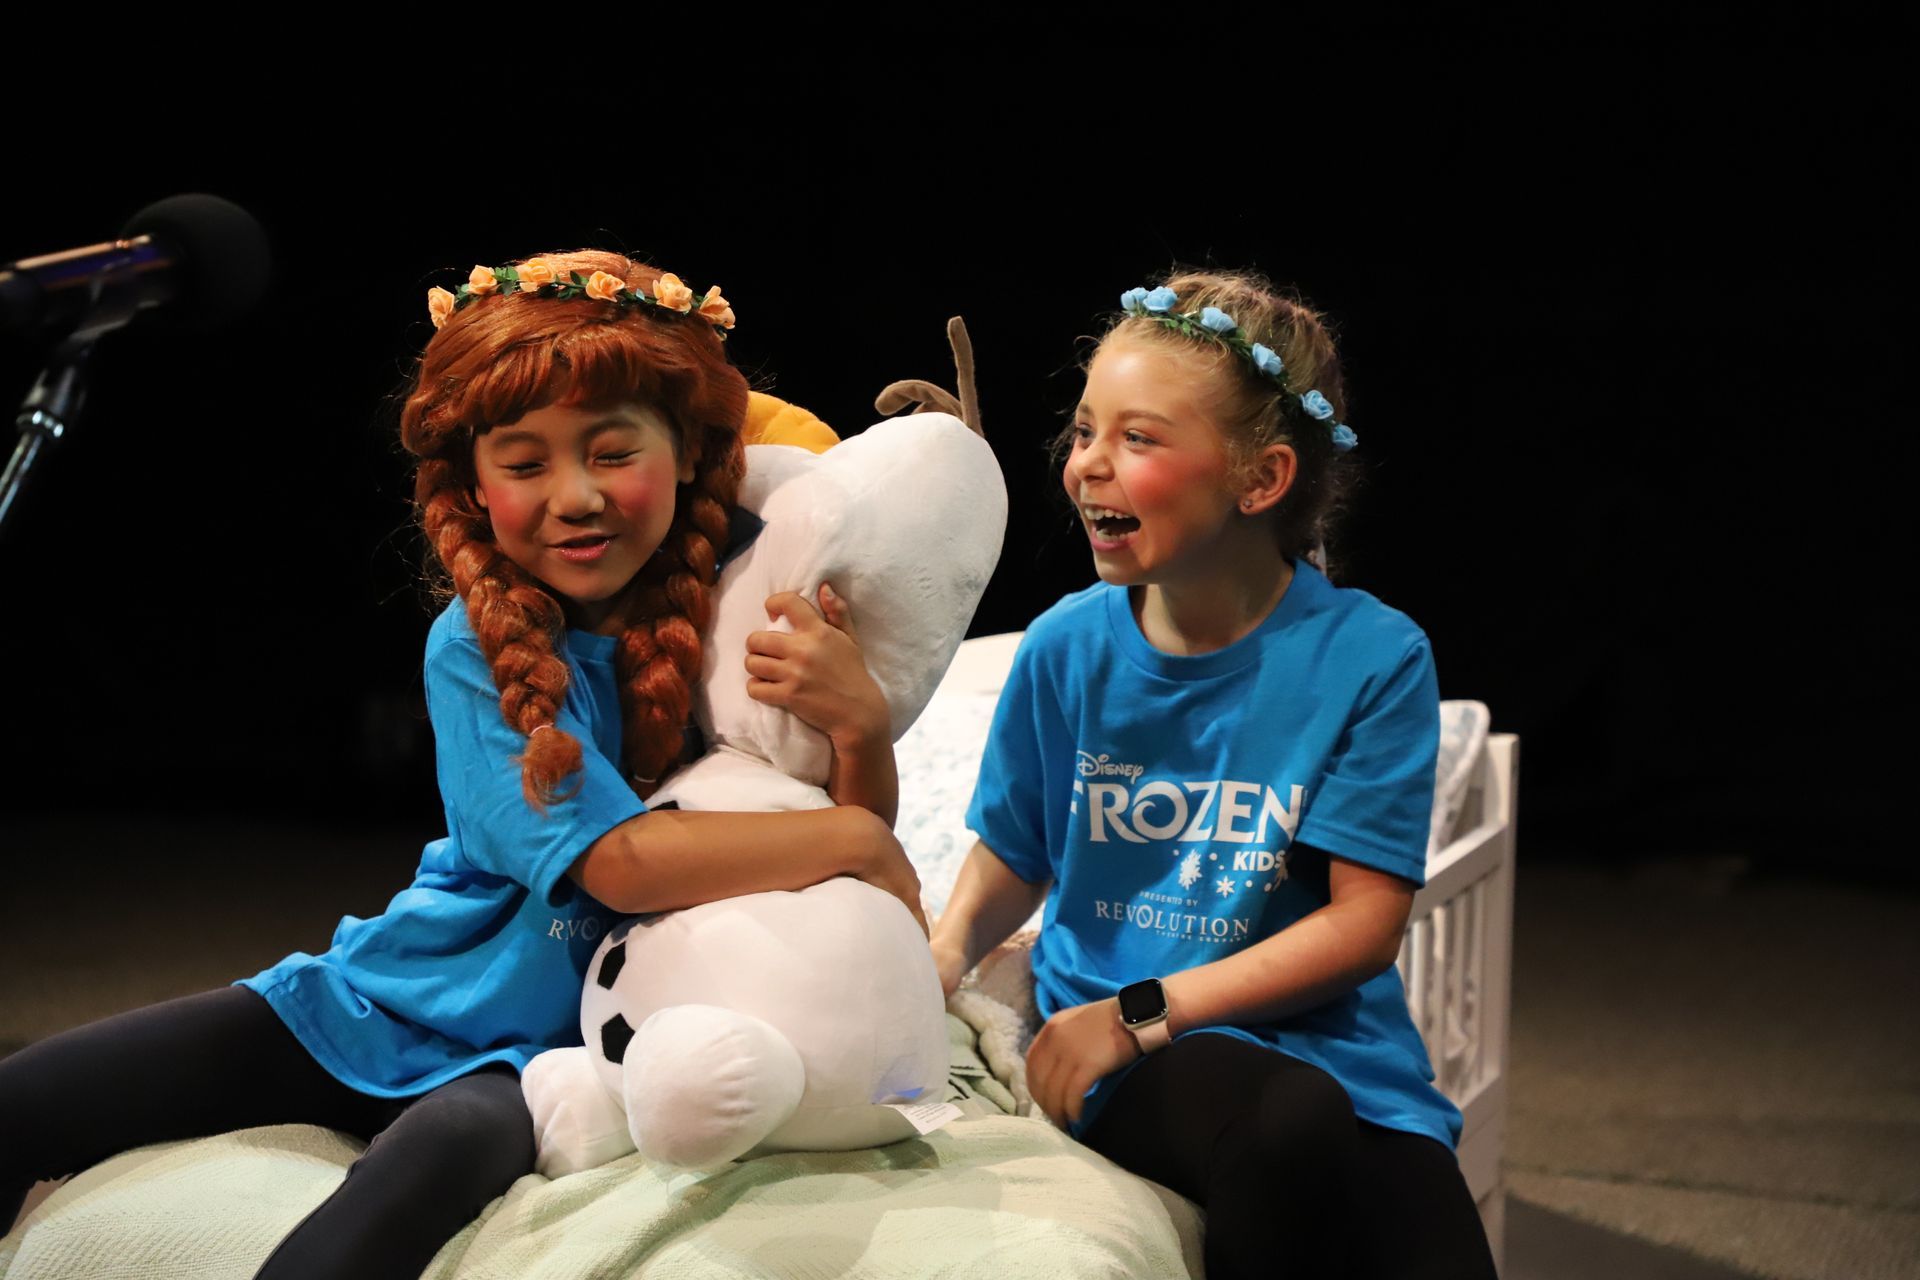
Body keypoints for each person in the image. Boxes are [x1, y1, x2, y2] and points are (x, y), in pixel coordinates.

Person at [0, 250, 921, 1279]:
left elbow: (845, 869)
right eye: (525, 464)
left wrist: (861, 730)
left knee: (443, 1149)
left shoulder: (738, 618)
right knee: (27, 1096)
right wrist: (855, 832)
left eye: (613, 451)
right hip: (393, 998)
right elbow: (624, 862)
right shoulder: (476, 642)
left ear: (691, 454)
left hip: (552, 1050)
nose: (575, 496)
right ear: (476, 487)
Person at [927, 271, 1499, 1279]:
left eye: (1137, 439)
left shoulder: (1374, 655)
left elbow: (1364, 923)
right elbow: (1013, 851)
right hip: (1116, 1049)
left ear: (1261, 478)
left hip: (1315, 1051)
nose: (1087, 465)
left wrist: (1148, 1005)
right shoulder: (1066, 646)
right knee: (1285, 1125)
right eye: (1085, 429)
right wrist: (939, 952)